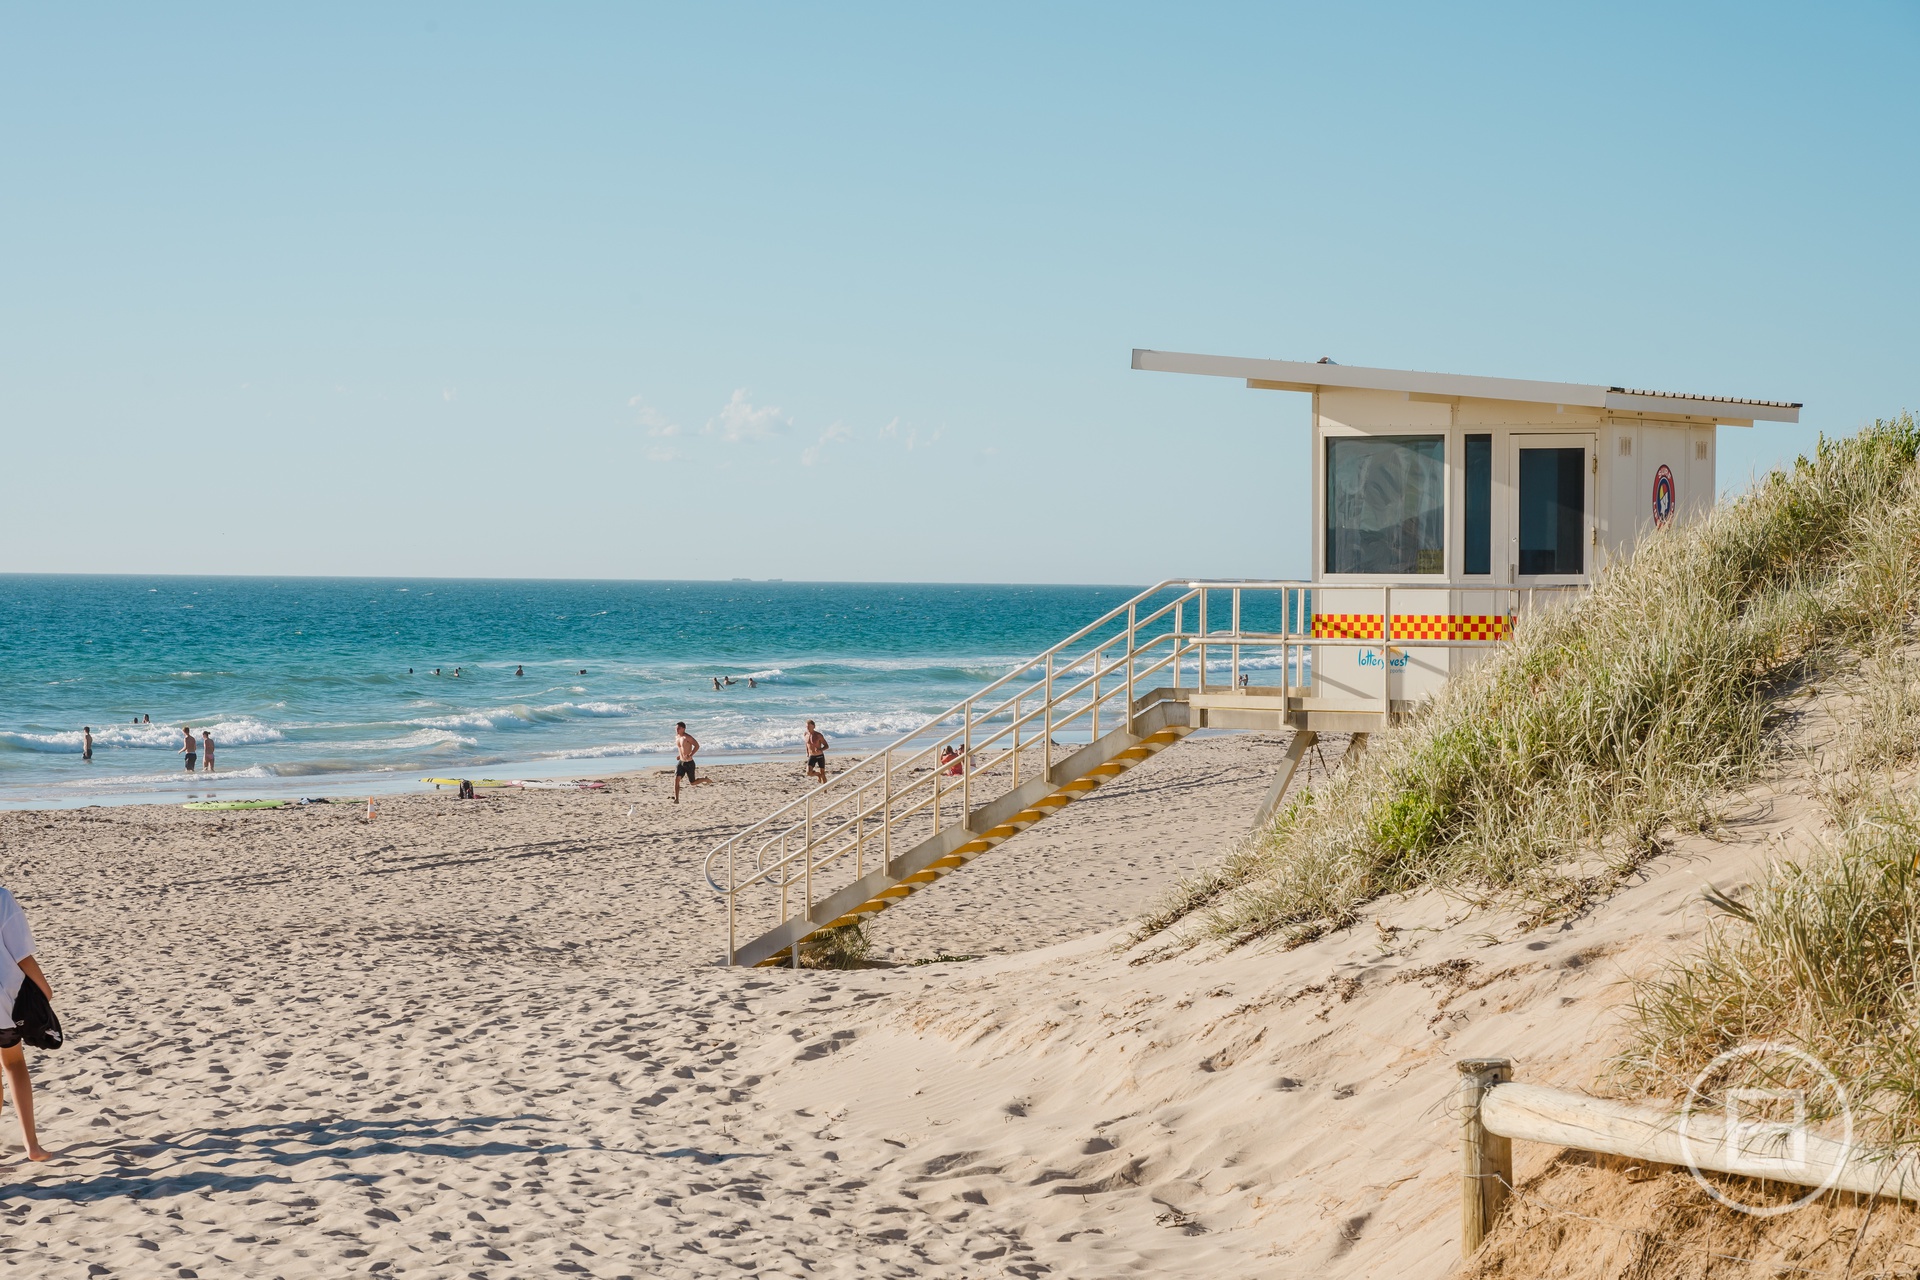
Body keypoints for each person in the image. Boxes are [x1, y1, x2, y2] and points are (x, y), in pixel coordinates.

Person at [0, 886, 52, 1161]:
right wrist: (45, 990)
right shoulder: (1, 897)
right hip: (5, 1000)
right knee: (13, 1062)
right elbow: (22, 954)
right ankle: (32, 1145)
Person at [672, 722, 712, 803]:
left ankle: (705, 779)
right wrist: (680, 756)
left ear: (683, 729)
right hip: (681, 762)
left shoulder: (687, 737)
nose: (677, 730)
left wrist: (691, 754)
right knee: (676, 779)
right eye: (676, 728)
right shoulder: (677, 737)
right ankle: (677, 799)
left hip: (689, 763)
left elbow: (697, 746)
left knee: (692, 783)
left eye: (679, 728)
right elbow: (682, 748)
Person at [803, 720, 829, 785]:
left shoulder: (818, 735)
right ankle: (818, 775)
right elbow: (807, 744)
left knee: (823, 774)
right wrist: (807, 752)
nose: (808, 728)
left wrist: (821, 749)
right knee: (808, 773)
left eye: (809, 726)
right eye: (807, 726)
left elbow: (826, 746)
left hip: (820, 756)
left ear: (814, 726)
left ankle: (825, 789)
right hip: (812, 756)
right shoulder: (805, 734)